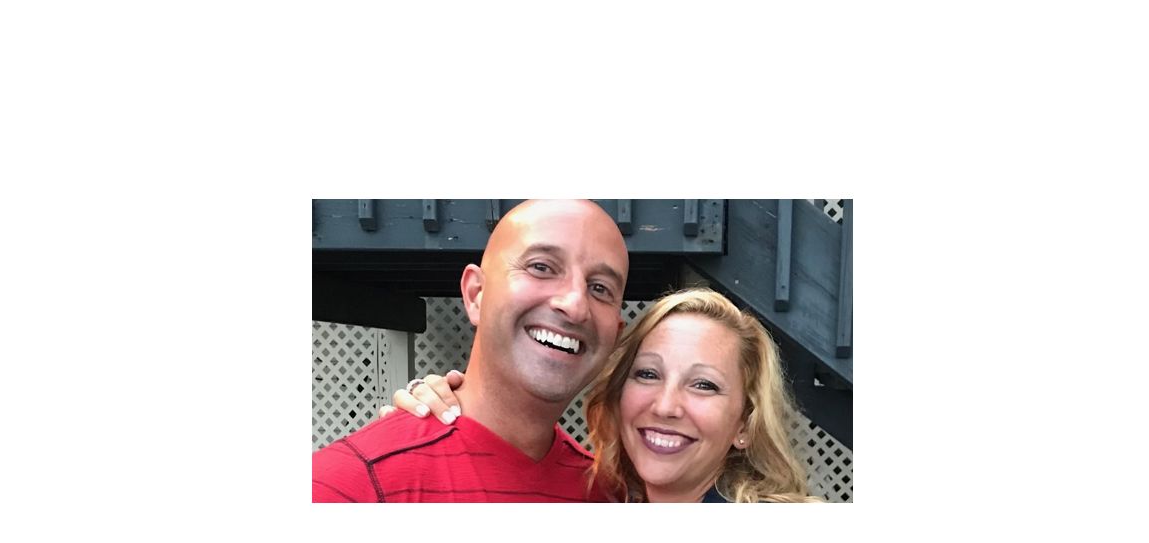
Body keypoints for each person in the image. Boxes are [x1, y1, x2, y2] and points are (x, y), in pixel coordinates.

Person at [312, 199, 629, 502]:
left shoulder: (608, 495)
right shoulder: (348, 486)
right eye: (541, 267)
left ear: (615, 335)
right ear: (476, 294)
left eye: (600, 288)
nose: (574, 305)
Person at [391, 288, 820, 503]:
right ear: (617, 394)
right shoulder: (598, 496)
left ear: (744, 423)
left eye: (703, 384)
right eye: (647, 374)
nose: (665, 406)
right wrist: (425, 421)